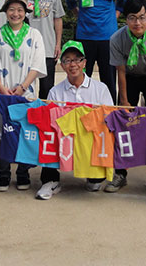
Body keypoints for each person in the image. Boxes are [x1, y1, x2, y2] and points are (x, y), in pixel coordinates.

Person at [106, 0, 146, 194]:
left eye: (142, 17)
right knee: (122, 124)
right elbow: (121, 71)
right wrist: (124, 101)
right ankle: (120, 173)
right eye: (132, 18)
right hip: (130, 77)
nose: (137, 23)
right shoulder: (116, 38)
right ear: (125, 19)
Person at [36, 40, 114, 200]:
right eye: (68, 60)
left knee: (102, 136)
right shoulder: (55, 92)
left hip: (89, 137)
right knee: (47, 134)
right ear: (62, 65)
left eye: (77, 59)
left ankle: (94, 176)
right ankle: (50, 179)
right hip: (65, 136)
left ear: (84, 62)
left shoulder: (100, 89)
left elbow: (110, 118)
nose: (73, 64)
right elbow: (50, 121)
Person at [0, 0, 47, 191]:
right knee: (2, 134)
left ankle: (23, 173)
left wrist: (22, 87)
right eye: (11, 9)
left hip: (26, 93)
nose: (16, 13)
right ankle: (3, 173)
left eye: (20, 10)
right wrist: (3, 89)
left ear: (25, 12)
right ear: (5, 12)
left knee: (25, 133)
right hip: (2, 93)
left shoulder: (34, 34)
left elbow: (37, 64)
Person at [66, 0, 127, 102]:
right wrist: (78, 15)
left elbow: (122, 1)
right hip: (84, 37)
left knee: (109, 79)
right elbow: (70, 1)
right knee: (82, 78)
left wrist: (115, 16)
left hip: (108, 38)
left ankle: (110, 114)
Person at [16, 0, 65, 99]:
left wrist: (57, 44)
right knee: (25, 85)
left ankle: (43, 116)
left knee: (47, 88)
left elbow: (58, 19)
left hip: (48, 47)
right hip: (25, 45)